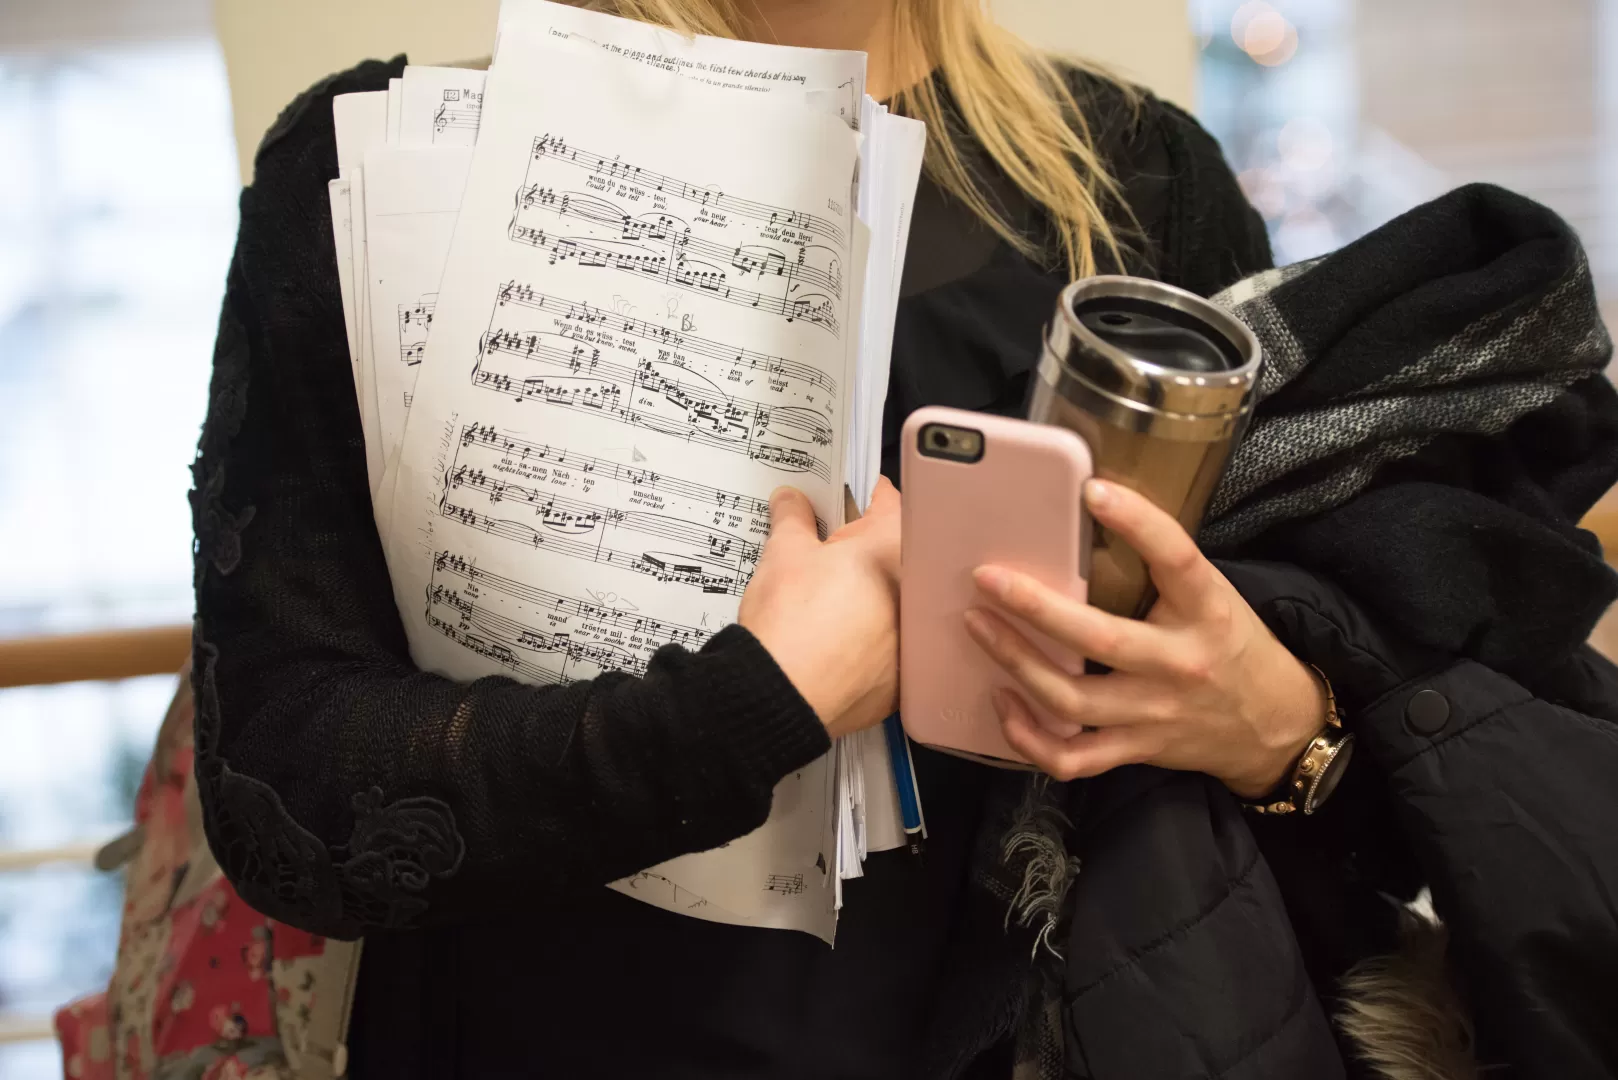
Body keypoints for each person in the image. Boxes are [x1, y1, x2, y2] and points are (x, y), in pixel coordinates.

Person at [191, 0, 1618, 1077]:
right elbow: (289, 792)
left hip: (1052, 1029)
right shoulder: (384, 162)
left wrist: (1277, 727)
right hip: (543, 1035)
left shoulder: (1132, 181)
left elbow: (1346, 809)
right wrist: (756, 702)